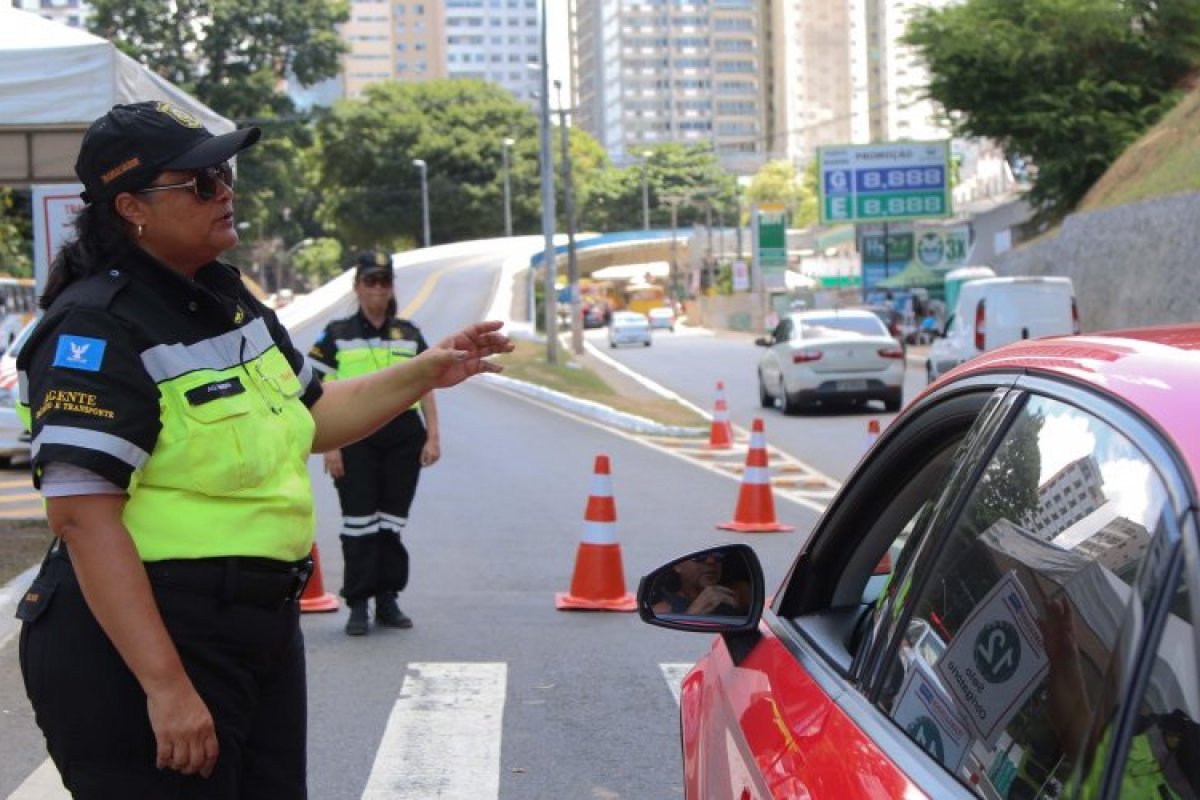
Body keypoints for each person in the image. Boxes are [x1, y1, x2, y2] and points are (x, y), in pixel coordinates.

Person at [13, 101, 511, 798]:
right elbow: (81, 518)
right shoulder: (95, 327)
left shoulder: (227, 303)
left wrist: (426, 370)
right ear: (131, 208)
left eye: (223, 174)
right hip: (148, 639)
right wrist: (166, 687)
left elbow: (316, 415)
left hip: (256, 630)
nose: (226, 192)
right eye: (199, 183)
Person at [309, 252, 440, 636]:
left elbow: (427, 384)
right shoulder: (336, 334)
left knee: (391, 523)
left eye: (384, 280)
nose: (378, 288)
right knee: (358, 523)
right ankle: (358, 604)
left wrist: (433, 435)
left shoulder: (409, 333)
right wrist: (330, 445)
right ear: (357, 286)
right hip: (353, 434)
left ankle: (388, 600)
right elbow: (316, 391)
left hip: (403, 437)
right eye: (370, 281)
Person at [651, 551, 747, 615]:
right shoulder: (664, 610)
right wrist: (695, 611)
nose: (711, 561)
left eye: (718, 554)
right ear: (677, 565)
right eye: (699, 556)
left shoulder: (739, 592)